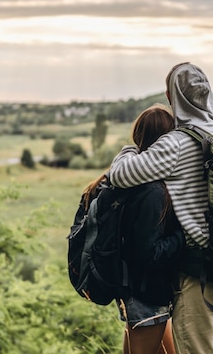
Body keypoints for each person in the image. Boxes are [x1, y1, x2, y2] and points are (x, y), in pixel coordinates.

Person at [108, 63, 213, 354]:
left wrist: (131, 149)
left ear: (172, 97)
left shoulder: (177, 143)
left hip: (199, 274)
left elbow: (120, 175)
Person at [82, 104, 183, 354]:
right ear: (167, 141)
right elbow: (149, 253)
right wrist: (184, 237)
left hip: (135, 290)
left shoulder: (128, 178)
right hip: (146, 294)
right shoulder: (151, 190)